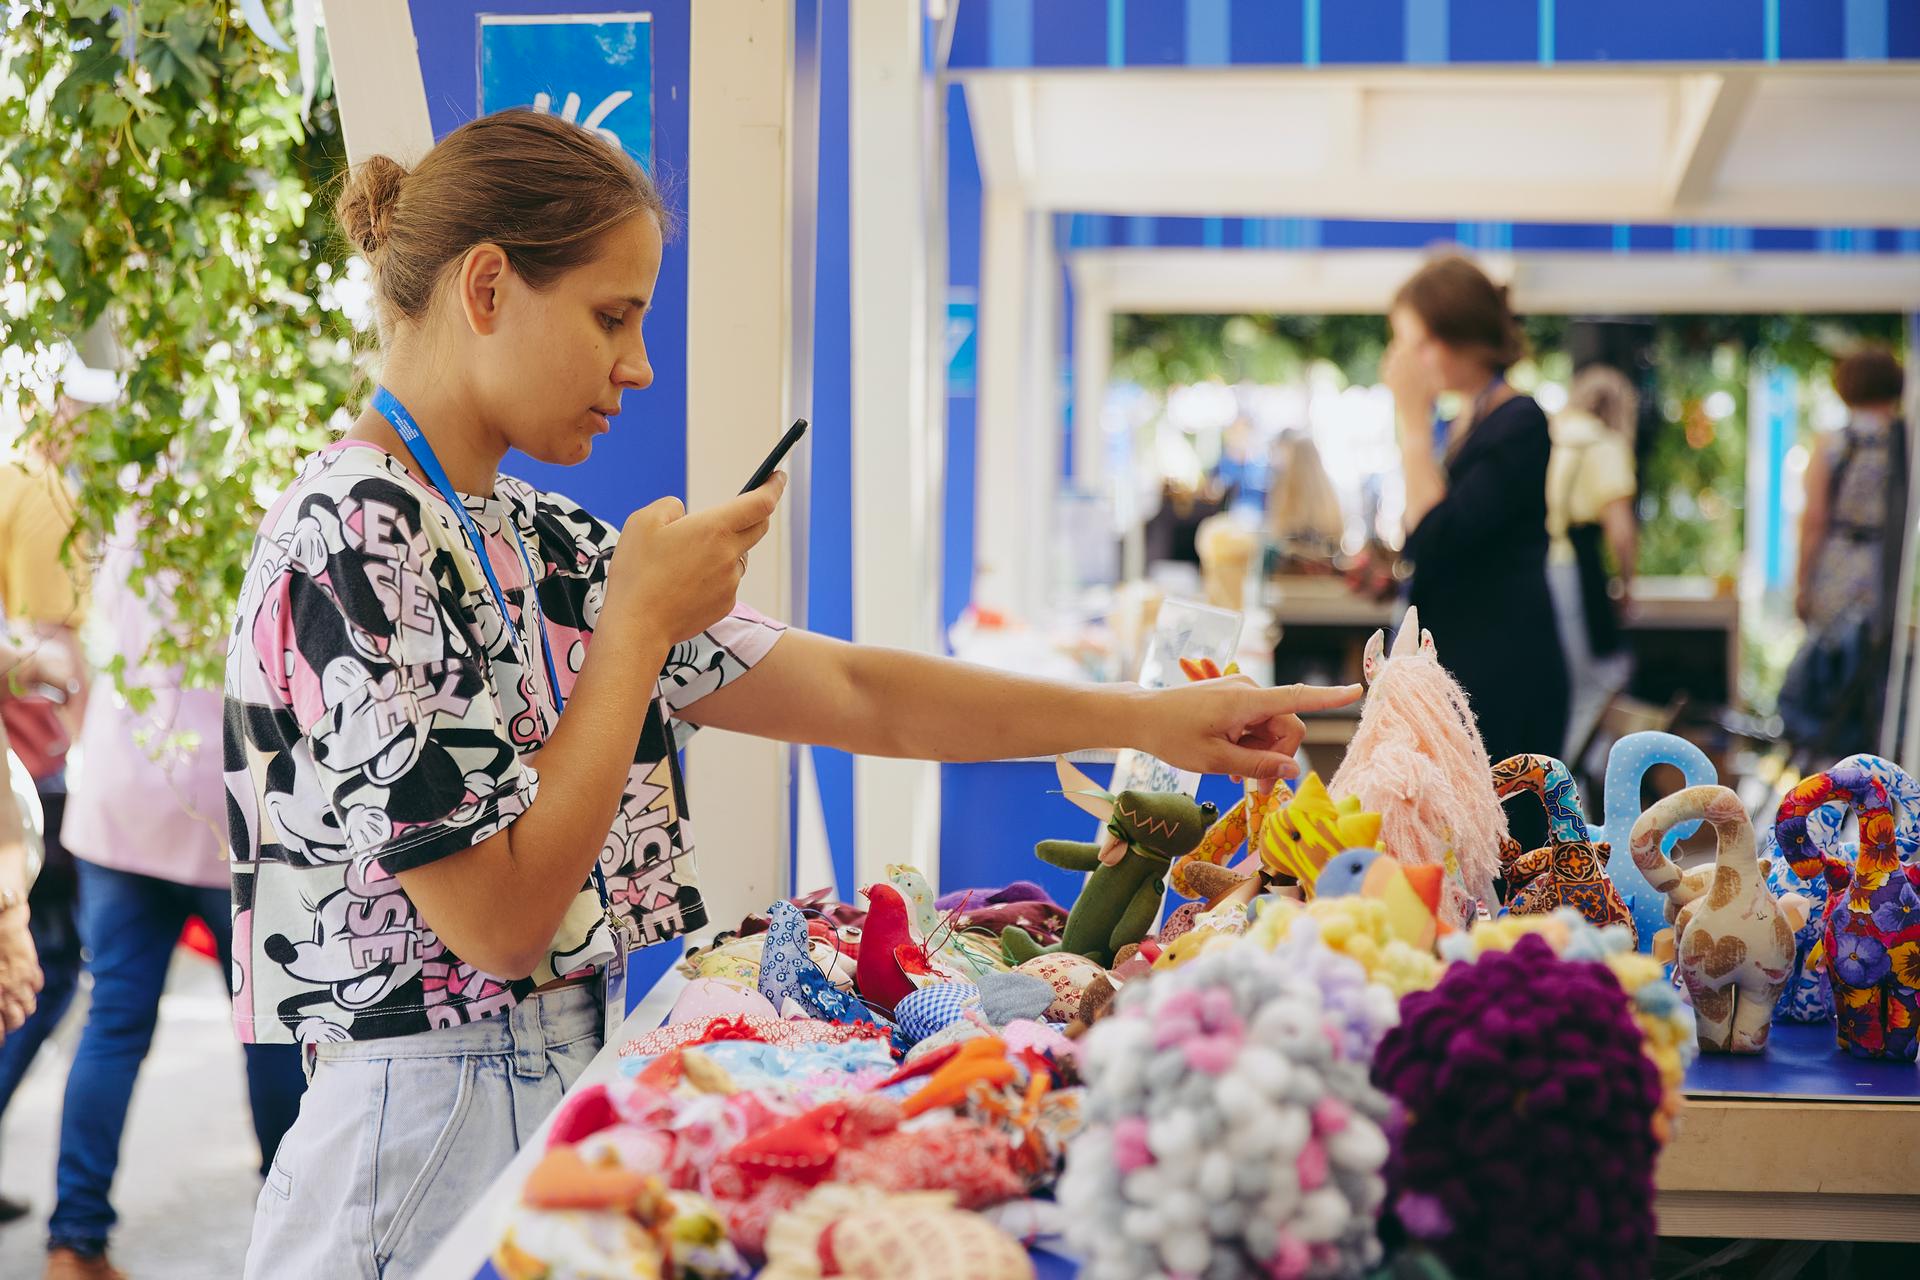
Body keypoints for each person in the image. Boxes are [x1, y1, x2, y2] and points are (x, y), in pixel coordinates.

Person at [230, 109, 1360, 1278]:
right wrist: (635, 628)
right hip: (418, 1138)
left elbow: (860, 693)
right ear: (486, 287)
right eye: (611, 315)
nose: (638, 365)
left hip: (554, 1081)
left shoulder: (533, 535)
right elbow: (501, 920)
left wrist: (1148, 720)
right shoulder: (350, 539)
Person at [43, 518, 308, 1280]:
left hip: (125, 797)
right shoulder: (265, 497)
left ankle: (74, 1239)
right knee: (269, 1023)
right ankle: (287, 1231)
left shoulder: (127, 496)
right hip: (227, 807)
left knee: (113, 1023)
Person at [1381, 253, 1568, 854]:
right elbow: (1431, 543)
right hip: (1475, 661)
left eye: (1408, 343)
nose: (1400, 362)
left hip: (1505, 671)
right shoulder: (1472, 418)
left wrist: (1411, 422)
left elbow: (1436, 533)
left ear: (1446, 339)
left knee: (1507, 854)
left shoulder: (1519, 420)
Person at [0, 401, 92, 1228]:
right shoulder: (42, 490)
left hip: (29, 773)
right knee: (44, 976)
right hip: (35, 772)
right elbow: (57, 645)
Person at [1781, 348, 1910, 757]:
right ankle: (1880, 760)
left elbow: (1814, 518)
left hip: (1838, 563)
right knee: (1878, 675)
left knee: (1831, 666)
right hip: (1891, 569)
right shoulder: (1907, 440)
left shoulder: (1834, 443)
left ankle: (1830, 758)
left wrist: (1802, 582)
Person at [1547, 365, 1641, 755]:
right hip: (1578, 568)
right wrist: (1625, 582)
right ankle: (1579, 784)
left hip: (1540, 567)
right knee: (1599, 681)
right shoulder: (1604, 445)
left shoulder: (1551, 437)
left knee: (1559, 681)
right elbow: (1620, 530)